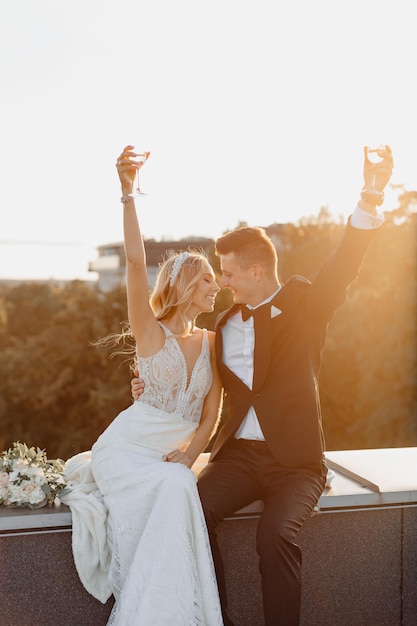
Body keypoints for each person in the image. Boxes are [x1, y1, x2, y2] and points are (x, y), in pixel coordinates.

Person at [132, 145, 394, 625]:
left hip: (296, 464)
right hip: (238, 458)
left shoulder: (305, 307)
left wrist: (371, 195)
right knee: (192, 515)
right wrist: (147, 386)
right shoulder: (225, 324)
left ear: (256, 270)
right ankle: (218, 618)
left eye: (228, 273)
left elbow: (342, 267)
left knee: (274, 535)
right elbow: (188, 372)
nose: (224, 282)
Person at [63, 146, 224, 626]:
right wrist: (127, 193)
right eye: (208, 281)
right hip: (127, 450)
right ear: (185, 286)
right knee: (176, 487)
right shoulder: (151, 331)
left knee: (177, 482)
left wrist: (195, 451)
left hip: (175, 455)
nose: (217, 288)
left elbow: (213, 408)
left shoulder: (216, 341)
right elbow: (135, 265)